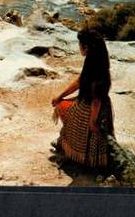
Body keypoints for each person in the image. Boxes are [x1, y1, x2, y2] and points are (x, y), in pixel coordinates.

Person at [51, 28, 114, 168]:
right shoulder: (97, 60)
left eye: (79, 44)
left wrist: (93, 122)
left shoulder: (94, 65)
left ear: (86, 47)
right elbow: (80, 81)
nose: (79, 47)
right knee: (62, 102)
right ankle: (69, 143)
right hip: (99, 105)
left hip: (92, 108)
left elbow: (96, 99)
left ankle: (72, 149)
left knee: (62, 107)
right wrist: (60, 95)